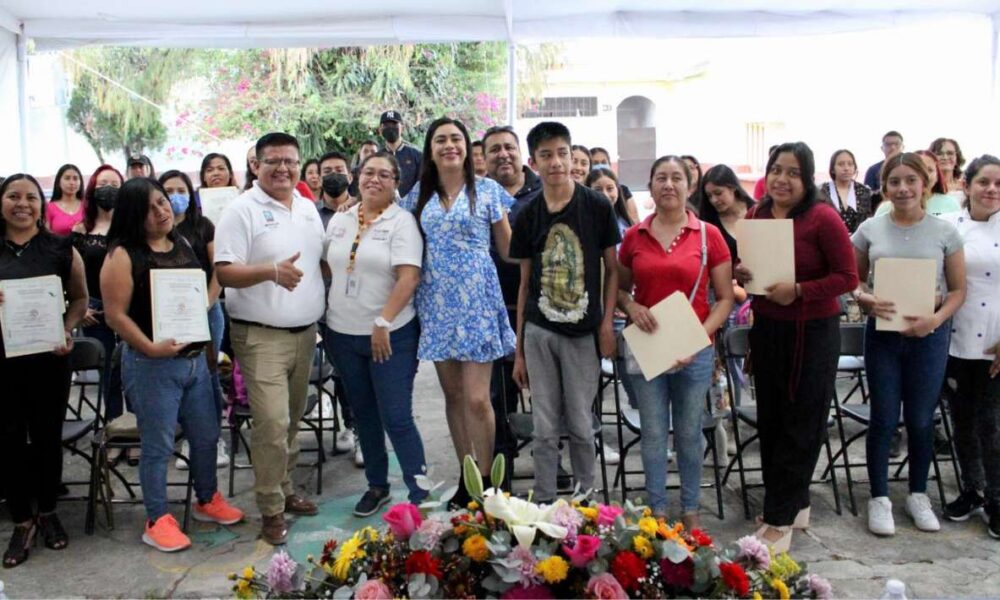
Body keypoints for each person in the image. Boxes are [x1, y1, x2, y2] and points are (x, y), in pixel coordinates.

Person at [102, 178, 244, 553]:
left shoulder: (179, 241)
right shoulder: (122, 255)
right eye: (150, 208)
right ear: (134, 215)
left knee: (206, 434)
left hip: (196, 361)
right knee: (158, 445)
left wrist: (206, 310)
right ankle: (157, 519)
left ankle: (207, 499)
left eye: (162, 202)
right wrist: (150, 346)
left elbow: (203, 285)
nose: (162, 211)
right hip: (152, 366)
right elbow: (115, 316)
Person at [734, 142, 859, 552]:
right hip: (769, 328)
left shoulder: (823, 218)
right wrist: (743, 271)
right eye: (775, 170)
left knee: (801, 419)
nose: (781, 180)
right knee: (772, 417)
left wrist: (801, 290)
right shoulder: (756, 214)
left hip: (813, 331)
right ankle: (792, 502)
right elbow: (751, 273)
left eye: (792, 173)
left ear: (807, 179)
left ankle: (778, 520)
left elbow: (847, 277)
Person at [215, 132, 326, 545]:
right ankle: (270, 509)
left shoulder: (308, 208)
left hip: (306, 335)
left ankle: (285, 487)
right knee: (272, 423)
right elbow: (224, 271)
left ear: (300, 165)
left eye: (290, 161)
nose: (283, 168)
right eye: (273, 161)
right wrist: (270, 271)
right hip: (261, 338)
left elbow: (319, 264)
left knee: (291, 421)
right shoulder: (241, 210)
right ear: (255, 165)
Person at [400, 117, 516, 504]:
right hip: (435, 302)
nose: (449, 145)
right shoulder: (417, 196)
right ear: (430, 150)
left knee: (478, 399)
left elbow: (509, 250)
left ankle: (489, 482)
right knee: (452, 398)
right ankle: (467, 479)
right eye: (440, 140)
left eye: (456, 139)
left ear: (468, 148)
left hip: (479, 302)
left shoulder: (488, 190)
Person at [851, 152, 966, 537]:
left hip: (929, 338)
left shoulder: (945, 232)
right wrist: (864, 298)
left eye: (910, 181)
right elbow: (852, 280)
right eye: (894, 182)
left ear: (925, 185)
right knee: (883, 418)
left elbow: (958, 289)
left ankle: (919, 493)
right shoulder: (870, 229)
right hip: (882, 337)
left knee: (920, 419)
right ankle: (879, 497)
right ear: (885, 187)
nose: (902, 189)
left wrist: (934, 320)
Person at [617, 156, 734, 528]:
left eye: (676, 178)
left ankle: (690, 507)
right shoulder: (634, 236)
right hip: (648, 347)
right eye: (661, 178)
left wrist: (698, 340)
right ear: (650, 186)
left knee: (688, 432)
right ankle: (656, 510)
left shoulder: (707, 236)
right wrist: (632, 305)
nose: (669, 185)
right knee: (652, 432)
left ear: (690, 185)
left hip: (693, 350)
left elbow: (725, 298)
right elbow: (619, 290)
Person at [509, 121, 620, 504]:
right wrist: (520, 349)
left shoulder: (596, 206)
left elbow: (612, 270)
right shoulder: (526, 214)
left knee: (580, 423)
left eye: (562, 153)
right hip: (539, 332)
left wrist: (606, 324)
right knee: (543, 427)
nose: (556, 162)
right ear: (533, 163)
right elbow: (524, 283)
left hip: (582, 333)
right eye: (546, 155)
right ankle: (542, 505)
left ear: (573, 156)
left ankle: (586, 503)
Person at [323, 152, 427, 515]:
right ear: (356, 177)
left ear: (395, 182)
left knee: (396, 416)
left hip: (390, 335)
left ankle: (419, 493)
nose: (375, 180)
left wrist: (382, 321)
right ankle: (377, 485)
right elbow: (327, 265)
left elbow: (409, 277)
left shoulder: (403, 223)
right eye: (369, 172)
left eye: (385, 174)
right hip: (342, 334)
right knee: (364, 414)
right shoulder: (341, 220)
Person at [1, 174, 88, 568]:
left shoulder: (60, 247)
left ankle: (49, 512)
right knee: (8, 442)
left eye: (31, 197)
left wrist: (67, 328)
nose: (23, 204)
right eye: (13, 197)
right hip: (2, 364)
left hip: (49, 360)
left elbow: (80, 297)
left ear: (42, 204)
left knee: (47, 438)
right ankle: (22, 520)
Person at [938, 155, 1000, 539]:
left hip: (996, 342)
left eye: (998, 184)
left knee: (991, 425)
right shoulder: (949, 226)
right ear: (967, 184)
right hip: (955, 336)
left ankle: (997, 497)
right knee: (961, 420)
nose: (991, 190)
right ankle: (971, 489)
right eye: (984, 182)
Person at [482, 124, 543, 469]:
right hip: (493, 313)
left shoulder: (545, 192)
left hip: (538, 311)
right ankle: (499, 471)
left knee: (545, 395)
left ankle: (549, 461)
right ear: (484, 158)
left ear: (521, 154)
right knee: (497, 398)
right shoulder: (478, 194)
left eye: (509, 147)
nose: (503, 154)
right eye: (494, 149)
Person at [159, 170, 229, 469]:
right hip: (168, 316)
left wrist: (207, 303)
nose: (175, 196)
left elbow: (219, 271)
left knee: (207, 375)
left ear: (191, 194)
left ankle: (215, 440)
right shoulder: (152, 229)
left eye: (181, 189)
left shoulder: (203, 226)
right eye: (168, 190)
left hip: (206, 312)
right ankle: (190, 435)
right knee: (180, 377)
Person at [315, 150, 361, 463]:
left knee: (355, 373)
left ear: (350, 175)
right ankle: (350, 424)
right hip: (321, 307)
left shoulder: (363, 209)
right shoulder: (309, 214)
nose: (334, 174)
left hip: (357, 304)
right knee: (340, 372)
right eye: (328, 170)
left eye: (340, 169)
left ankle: (360, 430)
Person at [72, 166, 127, 428]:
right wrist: (80, 309)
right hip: (93, 310)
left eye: (115, 184)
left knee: (131, 369)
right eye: (103, 183)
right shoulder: (81, 230)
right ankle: (115, 428)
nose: (109, 189)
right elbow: (70, 275)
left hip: (128, 310)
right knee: (108, 373)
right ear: (93, 189)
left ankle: (136, 430)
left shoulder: (132, 228)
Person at [875, 151, 961, 217]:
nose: (925, 175)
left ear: (937, 176)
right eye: (918, 170)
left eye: (930, 170)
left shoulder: (950, 203)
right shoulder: (886, 208)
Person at [819, 149, 873, 233]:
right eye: (841, 164)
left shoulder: (865, 191)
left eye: (850, 164)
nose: (846, 168)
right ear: (832, 169)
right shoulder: (822, 191)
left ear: (855, 168)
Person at [590, 147, 639, 223]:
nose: (605, 194)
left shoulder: (623, 190)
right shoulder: (585, 192)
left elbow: (635, 220)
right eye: (595, 163)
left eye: (603, 162)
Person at [378, 110, 422, 196]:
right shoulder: (376, 157)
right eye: (386, 125)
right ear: (380, 130)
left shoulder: (416, 155)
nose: (390, 128)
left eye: (394, 124)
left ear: (402, 128)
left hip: (410, 207)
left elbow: (421, 184)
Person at [46, 164, 86, 235]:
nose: (72, 183)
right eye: (67, 178)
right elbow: (46, 237)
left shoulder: (87, 206)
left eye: (75, 178)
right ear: (58, 182)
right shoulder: (49, 208)